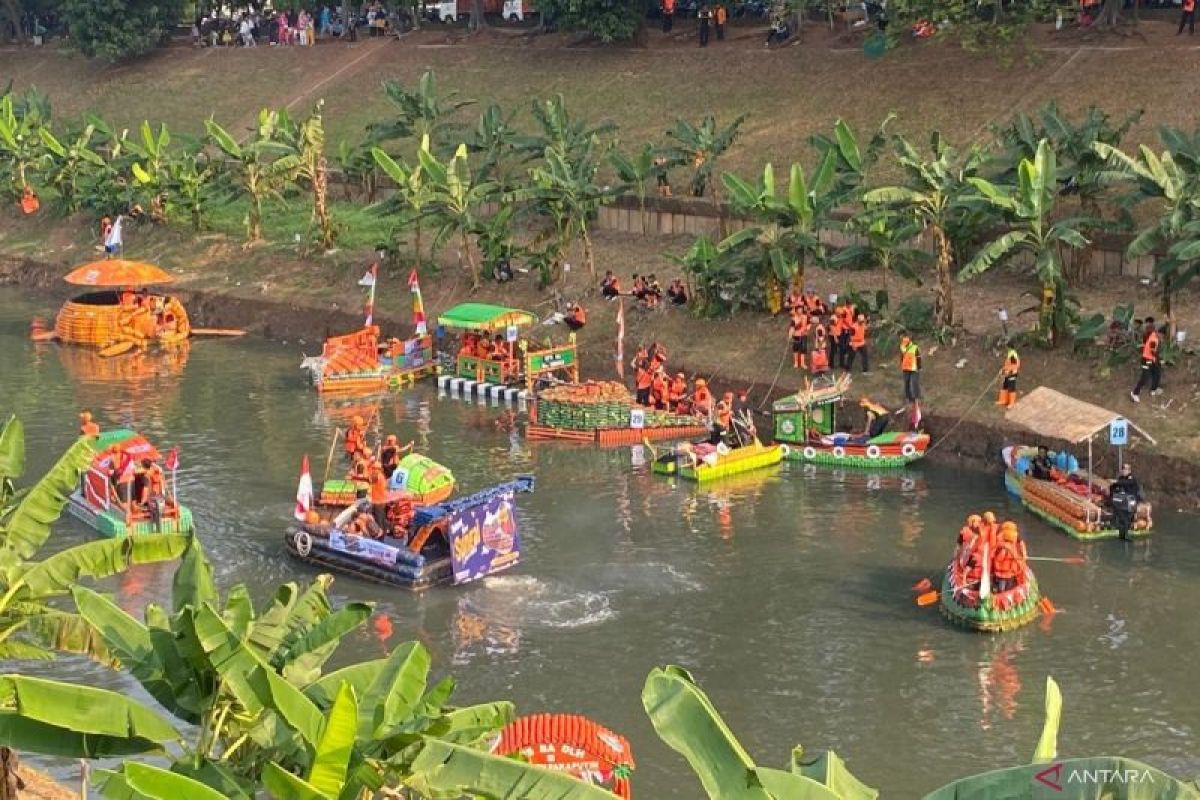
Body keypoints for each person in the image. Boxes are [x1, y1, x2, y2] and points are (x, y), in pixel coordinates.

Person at [1130, 318, 1162, 402]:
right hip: (1146, 360)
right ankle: (1135, 393)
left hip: (1149, 359)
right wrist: (1156, 360)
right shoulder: (1154, 339)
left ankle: (1153, 389)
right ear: (1158, 333)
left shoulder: (1152, 335)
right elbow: (1153, 351)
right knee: (1145, 376)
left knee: (1157, 372)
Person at [1109, 462, 1142, 540]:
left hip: (1131, 501)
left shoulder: (1131, 478)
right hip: (1122, 501)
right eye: (1123, 469)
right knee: (1120, 515)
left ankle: (1126, 534)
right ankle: (1121, 534)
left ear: (1129, 470)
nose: (1124, 471)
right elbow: (1114, 486)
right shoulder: (1121, 478)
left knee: (1126, 517)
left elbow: (1126, 483)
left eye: (1126, 469)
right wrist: (1112, 488)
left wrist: (1115, 482)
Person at [899, 335, 920, 407]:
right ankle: (909, 398)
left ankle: (916, 397)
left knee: (914, 383)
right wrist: (901, 364)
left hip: (913, 368)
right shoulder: (902, 347)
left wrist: (919, 367)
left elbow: (918, 357)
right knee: (907, 383)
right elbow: (902, 357)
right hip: (906, 368)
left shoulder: (915, 348)